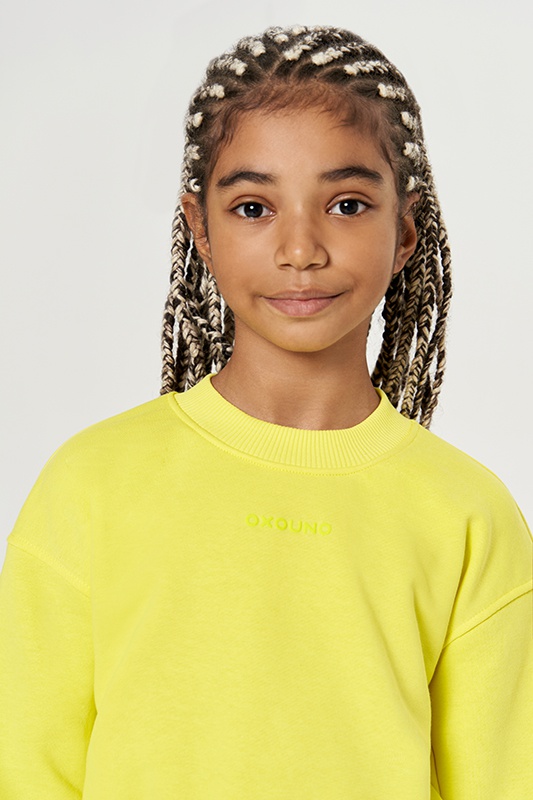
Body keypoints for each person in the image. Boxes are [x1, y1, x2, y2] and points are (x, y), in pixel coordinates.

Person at [0, 24, 531, 800]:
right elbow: (26, 770)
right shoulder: (91, 485)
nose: (300, 249)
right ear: (200, 230)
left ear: (404, 231)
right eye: (253, 207)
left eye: (346, 204)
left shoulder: (467, 514)